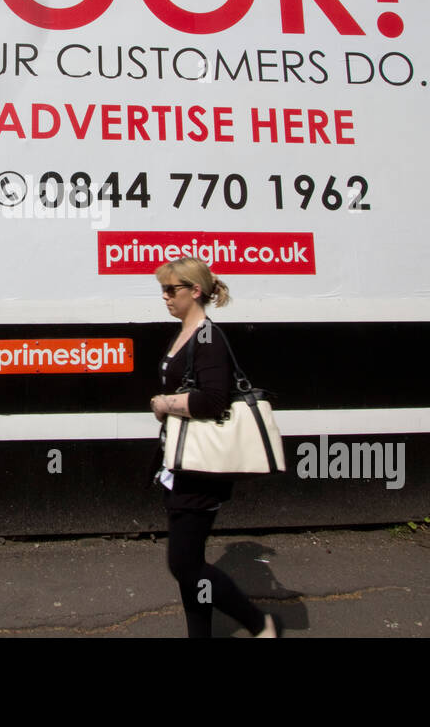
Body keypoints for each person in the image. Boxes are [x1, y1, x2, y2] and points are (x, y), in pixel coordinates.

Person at [149, 256, 278, 638]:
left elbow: (213, 400)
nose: (165, 297)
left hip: (202, 468)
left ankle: (259, 623)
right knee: (190, 565)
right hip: (181, 464)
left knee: (185, 566)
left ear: (195, 290)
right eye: (162, 290)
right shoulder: (185, 333)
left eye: (172, 290)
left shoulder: (207, 336)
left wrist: (164, 404)